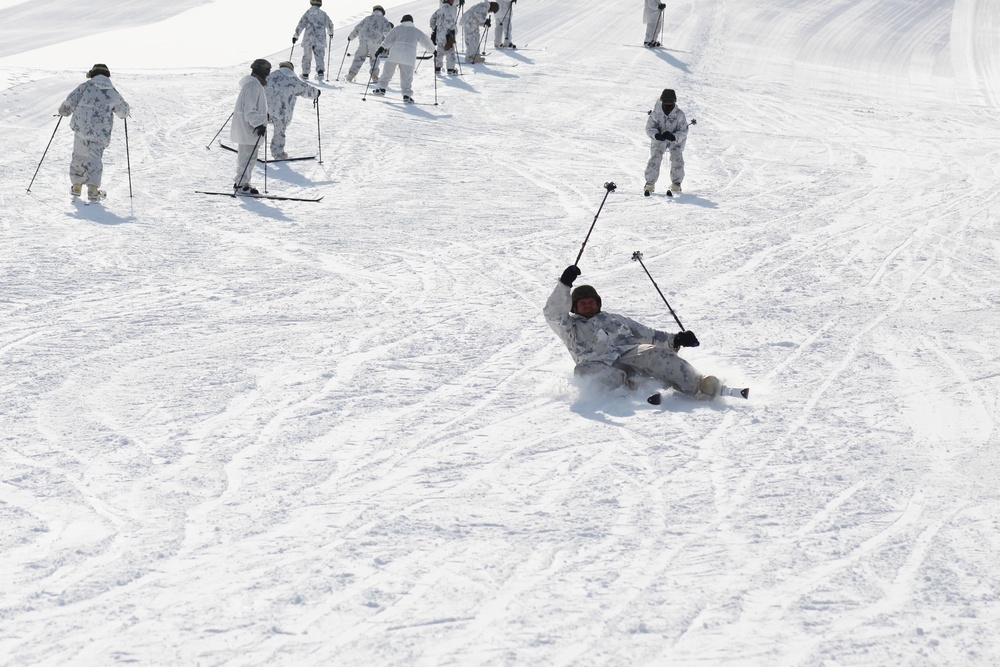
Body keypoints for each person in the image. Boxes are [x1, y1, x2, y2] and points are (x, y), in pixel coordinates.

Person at [544, 265, 721, 398]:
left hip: (629, 354)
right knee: (584, 371)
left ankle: (699, 385)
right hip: (597, 363)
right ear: (574, 307)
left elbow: (649, 334)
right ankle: (634, 388)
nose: (587, 304)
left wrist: (677, 339)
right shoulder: (569, 326)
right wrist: (564, 285)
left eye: (591, 301)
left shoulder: (615, 319)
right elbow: (552, 313)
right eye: (582, 303)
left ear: (598, 303)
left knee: (656, 353)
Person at [57, 64, 129, 201]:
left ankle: (77, 186)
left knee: (79, 155)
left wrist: (64, 111)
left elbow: (70, 101)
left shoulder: (85, 86)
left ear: (93, 75)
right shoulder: (112, 91)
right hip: (99, 133)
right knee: (95, 159)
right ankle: (93, 190)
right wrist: (125, 113)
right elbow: (123, 111)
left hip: (81, 129)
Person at [371, 15, 435, 103]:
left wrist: (381, 48)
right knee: (406, 77)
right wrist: (433, 50)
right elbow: (426, 40)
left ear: (402, 21)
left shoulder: (397, 29)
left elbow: (388, 39)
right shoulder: (416, 31)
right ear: (412, 22)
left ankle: (381, 89)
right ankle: (406, 95)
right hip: (408, 57)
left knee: (387, 72)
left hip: (395, 54)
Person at [264, 61, 320, 160]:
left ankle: (251, 149)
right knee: (279, 132)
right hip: (282, 111)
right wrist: (317, 93)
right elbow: (305, 89)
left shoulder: (270, 76)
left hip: (265, 109)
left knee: (258, 128)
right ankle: (278, 153)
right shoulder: (293, 80)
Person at [231, 59, 270, 194]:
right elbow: (249, 111)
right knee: (246, 158)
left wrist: (264, 116)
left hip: (249, 129)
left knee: (249, 157)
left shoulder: (253, 84)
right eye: (266, 70)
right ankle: (241, 184)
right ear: (260, 71)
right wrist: (259, 123)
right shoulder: (253, 86)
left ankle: (244, 182)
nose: (268, 74)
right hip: (250, 129)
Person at [644, 88, 688, 196]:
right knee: (655, 157)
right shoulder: (656, 113)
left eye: (671, 102)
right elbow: (649, 128)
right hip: (659, 140)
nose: (668, 104)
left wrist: (674, 137)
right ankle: (649, 183)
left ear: (674, 101)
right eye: (666, 101)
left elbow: (684, 130)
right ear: (662, 101)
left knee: (677, 157)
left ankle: (676, 183)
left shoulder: (679, 114)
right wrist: (657, 135)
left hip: (675, 141)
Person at [346, 5, 392, 83]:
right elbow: (387, 33)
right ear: (382, 12)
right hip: (375, 42)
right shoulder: (384, 20)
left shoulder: (367, 18)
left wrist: (351, 37)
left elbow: (358, 28)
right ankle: (374, 76)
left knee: (359, 57)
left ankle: (351, 74)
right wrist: (389, 45)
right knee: (375, 58)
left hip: (363, 41)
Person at [293, 0, 334, 80]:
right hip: (320, 38)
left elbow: (301, 24)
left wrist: (296, 36)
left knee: (307, 56)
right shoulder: (323, 14)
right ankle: (320, 73)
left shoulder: (308, 13)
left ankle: (305, 74)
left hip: (308, 38)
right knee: (319, 56)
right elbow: (330, 24)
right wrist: (330, 33)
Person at [430, 0, 459, 75]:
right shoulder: (449, 9)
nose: (453, 2)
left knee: (440, 52)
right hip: (447, 35)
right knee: (450, 52)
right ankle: (450, 69)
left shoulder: (439, 10)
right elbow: (449, 22)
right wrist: (453, 30)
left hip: (439, 35)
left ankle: (437, 68)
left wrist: (435, 29)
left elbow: (432, 20)